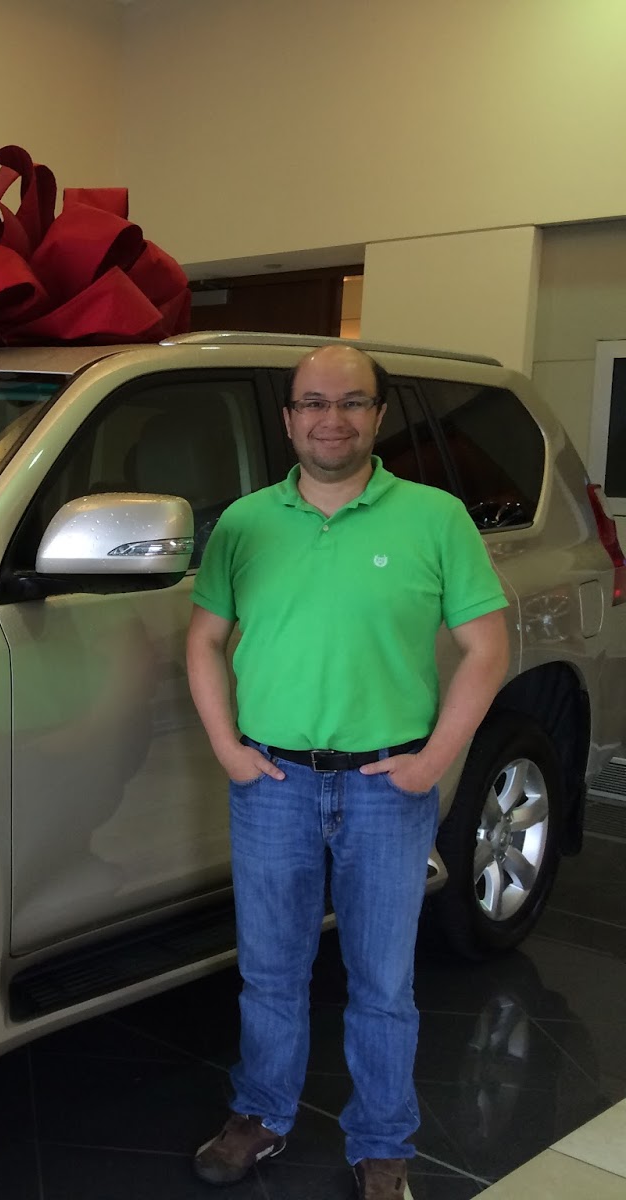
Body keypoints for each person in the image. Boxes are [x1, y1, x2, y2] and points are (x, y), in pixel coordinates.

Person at [185, 345, 510, 1199]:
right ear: (289, 417)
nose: (332, 419)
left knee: (383, 982)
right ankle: (262, 1113)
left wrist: (434, 761)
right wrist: (228, 748)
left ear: (379, 415)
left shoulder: (435, 518)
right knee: (270, 972)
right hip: (272, 786)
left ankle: (382, 1142)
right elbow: (205, 639)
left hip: (385, 790)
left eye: (352, 402)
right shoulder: (245, 524)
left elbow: (488, 647)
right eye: (313, 403)